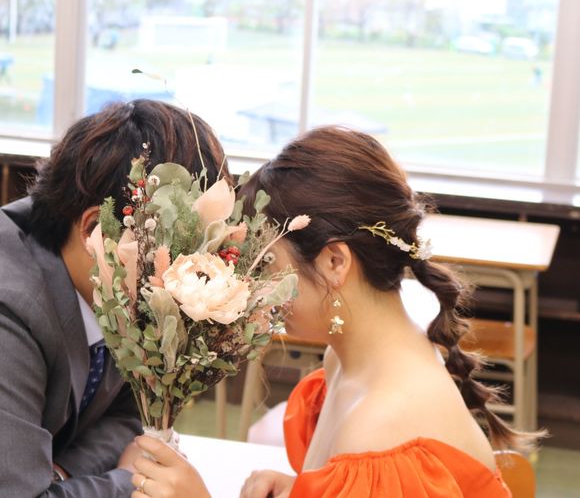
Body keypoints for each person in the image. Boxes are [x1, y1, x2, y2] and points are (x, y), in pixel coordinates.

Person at [130, 126, 539, 497]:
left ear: (335, 262)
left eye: (267, 266)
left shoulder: (380, 426)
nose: (256, 290)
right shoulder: (353, 359)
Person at [0, 99, 229, 497]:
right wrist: (131, 482)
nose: (194, 268)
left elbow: (128, 419)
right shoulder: (11, 307)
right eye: (179, 247)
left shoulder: (117, 286)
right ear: (97, 229)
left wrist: (62, 473)